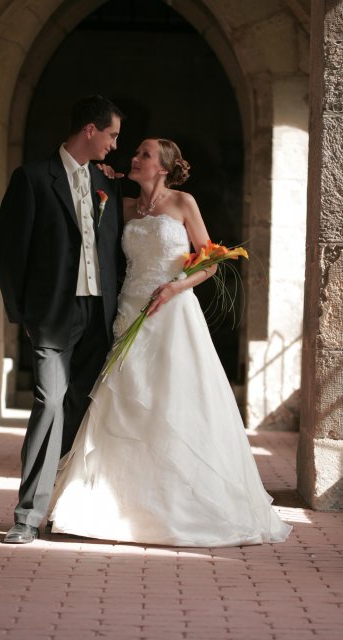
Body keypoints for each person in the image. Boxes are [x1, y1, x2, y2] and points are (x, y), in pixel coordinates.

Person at [47, 137, 292, 547]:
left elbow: (211, 262)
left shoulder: (183, 203)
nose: (134, 158)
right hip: (130, 310)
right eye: (135, 153)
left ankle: (180, 503)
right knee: (123, 399)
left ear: (162, 167)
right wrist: (100, 176)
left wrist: (176, 287)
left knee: (171, 398)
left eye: (143, 155)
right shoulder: (124, 205)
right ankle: (109, 501)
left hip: (173, 312)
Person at [0, 95, 126, 544]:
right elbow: (7, 252)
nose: (114, 144)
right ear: (90, 129)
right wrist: (23, 314)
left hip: (98, 315)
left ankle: (65, 508)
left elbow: (114, 252)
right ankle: (27, 516)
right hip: (51, 315)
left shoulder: (106, 183)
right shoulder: (32, 178)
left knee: (82, 409)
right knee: (50, 403)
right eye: (111, 135)